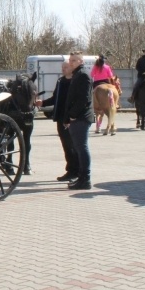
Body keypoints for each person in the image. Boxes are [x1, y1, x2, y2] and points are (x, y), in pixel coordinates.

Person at [35, 61, 78, 181]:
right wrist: (43, 102)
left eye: (65, 67)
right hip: (61, 117)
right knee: (66, 146)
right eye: (62, 67)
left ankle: (77, 171)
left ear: (72, 67)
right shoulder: (60, 81)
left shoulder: (75, 81)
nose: (63, 69)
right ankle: (70, 170)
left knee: (73, 146)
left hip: (72, 118)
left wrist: (71, 116)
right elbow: (55, 98)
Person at [63, 51, 95, 190]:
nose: (71, 62)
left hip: (81, 118)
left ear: (81, 61)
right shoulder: (77, 75)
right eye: (70, 60)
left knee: (82, 148)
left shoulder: (83, 75)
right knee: (79, 148)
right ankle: (81, 178)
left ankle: (85, 179)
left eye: (74, 60)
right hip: (77, 117)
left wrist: (73, 115)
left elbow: (84, 99)